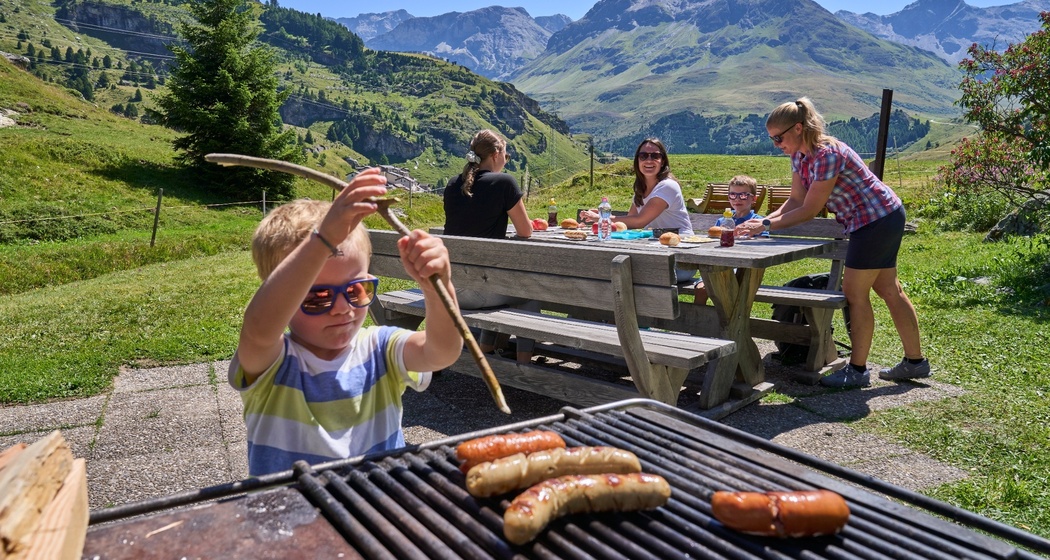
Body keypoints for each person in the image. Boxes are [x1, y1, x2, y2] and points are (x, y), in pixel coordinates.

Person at [229, 167, 463, 476]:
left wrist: (439, 287)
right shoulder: (272, 363)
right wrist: (322, 240)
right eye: (317, 297)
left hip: (381, 504)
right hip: (291, 516)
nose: (342, 308)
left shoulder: (380, 349)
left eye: (356, 290)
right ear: (283, 295)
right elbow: (259, 329)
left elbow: (443, 351)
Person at [736, 97, 929, 388]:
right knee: (889, 288)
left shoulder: (827, 154)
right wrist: (763, 222)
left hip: (875, 219)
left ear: (798, 128)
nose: (776, 145)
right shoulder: (799, 156)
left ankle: (858, 370)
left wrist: (765, 224)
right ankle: (915, 362)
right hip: (876, 218)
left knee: (855, 293)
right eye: (772, 139)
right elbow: (795, 200)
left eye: (779, 138)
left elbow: (810, 210)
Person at [443, 129, 537, 363]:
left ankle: (485, 347)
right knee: (530, 294)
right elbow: (526, 232)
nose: (506, 160)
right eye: (506, 155)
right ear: (496, 154)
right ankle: (525, 366)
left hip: (450, 288)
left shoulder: (453, 184)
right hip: (477, 293)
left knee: (494, 279)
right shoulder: (503, 182)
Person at [580, 138, 695, 282]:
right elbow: (629, 224)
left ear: (663, 161)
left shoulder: (668, 186)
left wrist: (604, 218)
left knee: (617, 274)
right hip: (656, 253)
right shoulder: (640, 189)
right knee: (604, 270)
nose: (649, 160)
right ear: (637, 160)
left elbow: (639, 222)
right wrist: (604, 217)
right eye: (643, 156)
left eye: (655, 156)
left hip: (680, 259)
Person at [695, 175, 767, 304]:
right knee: (701, 289)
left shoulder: (757, 221)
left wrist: (745, 238)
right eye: (733, 195)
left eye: (743, 195)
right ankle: (696, 320)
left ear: (753, 198)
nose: (737, 199)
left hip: (743, 266)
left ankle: (724, 320)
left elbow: (763, 244)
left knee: (724, 289)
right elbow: (713, 242)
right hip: (718, 262)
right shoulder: (722, 221)